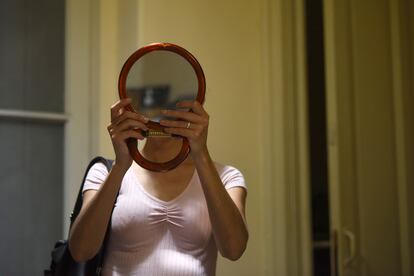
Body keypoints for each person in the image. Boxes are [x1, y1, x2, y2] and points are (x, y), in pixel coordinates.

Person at [68, 98, 248, 275]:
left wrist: (201, 154)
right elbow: (81, 251)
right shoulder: (104, 172)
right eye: (154, 105)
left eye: (174, 105)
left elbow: (234, 250)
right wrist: (120, 166)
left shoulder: (226, 177)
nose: (162, 116)